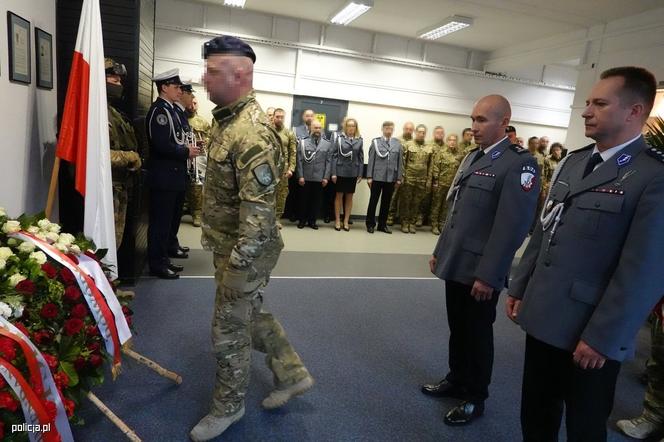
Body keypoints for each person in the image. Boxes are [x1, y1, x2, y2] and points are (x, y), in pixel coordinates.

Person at [506, 66, 664, 442]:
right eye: (588, 102)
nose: (586, 111)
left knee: (585, 423)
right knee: (537, 409)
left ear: (634, 112)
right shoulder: (575, 162)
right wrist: (520, 286)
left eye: (600, 103)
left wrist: (604, 338)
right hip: (545, 313)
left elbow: (643, 270)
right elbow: (546, 228)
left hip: (591, 330)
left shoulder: (653, 177)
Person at [190, 35, 314, 442]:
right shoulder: (226, 120)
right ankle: (292, 373)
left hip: (246, 249)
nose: (204, 80)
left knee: (227, 330)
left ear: (239, 74)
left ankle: (229, 407)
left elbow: (259, 217)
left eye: (212, 72)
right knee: (248, 315)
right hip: (229, 243)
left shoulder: (252, 133)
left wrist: (237, 267)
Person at [423, 94, 538, 426]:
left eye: (482, 120)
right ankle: (456, 379)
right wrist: (441, 252)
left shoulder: (519, 164)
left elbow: (512, 227)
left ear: (504, 122)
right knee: (458, 327)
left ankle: (475, 397)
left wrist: (490, 275)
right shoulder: (474, 157)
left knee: (477, 333)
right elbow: (456, 210)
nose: (474, 127)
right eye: (473, 119)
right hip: (457, 262)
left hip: (481, 271)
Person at [145, 69, 199, 279]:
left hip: (173, 176)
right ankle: (157, 264)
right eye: (176, 87)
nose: (180, 91)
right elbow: (160, 145)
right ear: (164, 87)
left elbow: (177, 138)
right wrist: (186, 151)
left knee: (167, 223)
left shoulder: (171, 110)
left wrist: (188, 148)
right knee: (160, 224)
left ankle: (163, 259)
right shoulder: (160, 111)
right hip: (163, 176)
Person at [106, 58, 141, 298]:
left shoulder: (113, 112)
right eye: (112, 77)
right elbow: (94, 153)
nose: (118, 83)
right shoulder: (94, 111)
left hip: (119, 187)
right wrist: (129, 156)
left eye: (119, 79)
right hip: (104, 188)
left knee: (114, 243)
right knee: (103, 244)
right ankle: (103, 293)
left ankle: (109, 289)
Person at [366, 121, 402, 234]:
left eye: (391, 128)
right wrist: (369, 176)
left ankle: (382, 224)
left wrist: (399, 178)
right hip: (377, 177)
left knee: (386, 202)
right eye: (386, 128)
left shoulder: (397, 143)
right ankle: (370, 224)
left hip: (391, 178)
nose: (389, 130)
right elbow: (371, 159)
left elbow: (400, 162)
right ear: (382, 129)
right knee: (373, 201)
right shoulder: (376, 142)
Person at [296, 120, 332, 229]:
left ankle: (312, 221)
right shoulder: (303, 142)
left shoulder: (327, 143)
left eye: (319, 128)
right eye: (315, 128)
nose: (317, 130)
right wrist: (300, 175)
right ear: (311, 128)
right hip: (305, 177)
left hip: (319, 178)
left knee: (316, 201)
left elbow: (329, 162)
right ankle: (302, 220)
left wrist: (326, 177)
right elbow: (299, 160)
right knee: (303, 200)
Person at [330, 118, 363, 231]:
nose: (351, 128)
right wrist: (333, 173)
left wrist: (360, 173)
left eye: (353, 126)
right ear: (345, 127)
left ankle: (346, 221)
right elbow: (334, 155)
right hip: (340, 171)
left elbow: (360, 157)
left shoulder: (359, 140)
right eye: (349, 126)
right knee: (339, 196)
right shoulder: (339, 139)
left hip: (353, 172)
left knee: (349, 197)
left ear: (356, 128)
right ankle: (338, 220)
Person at [399, 124, 433, 234]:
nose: (421, 134)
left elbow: (430, 165)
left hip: (422, 179)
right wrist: (402, 176)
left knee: (416, 203)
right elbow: (403, 162)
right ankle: (404, 223)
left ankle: (412, 223)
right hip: (409, 178)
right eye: (419, 132)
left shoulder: (429, 147)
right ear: (415, 132)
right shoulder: (408, 145)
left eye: (423, 132)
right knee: (406, 201)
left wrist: (429, 180)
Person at [185, 92, 211, 227]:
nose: (192, 106)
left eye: (195, 103)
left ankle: (197, 213)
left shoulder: (202, 122)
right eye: (190, 103)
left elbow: (210, 138)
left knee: (197, 185)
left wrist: (204, 142)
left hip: (198, 157)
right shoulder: (179, 118)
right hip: (182, 155)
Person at [428, 132, 461, 235]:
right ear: (447, 141)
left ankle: (442, 224)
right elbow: (436, 167)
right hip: (440, 183)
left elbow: (460, 170)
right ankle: (434, 224)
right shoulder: (441, 153)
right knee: (436, 205)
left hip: (452, 185)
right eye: (450, 140)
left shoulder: (459, 155)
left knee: (446, 206)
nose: (452, 142)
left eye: (454, 140)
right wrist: (436, 181)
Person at [272, 108, 297, 228]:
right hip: (268, 169)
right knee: (267, 193)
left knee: (281, 195)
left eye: (282, 117)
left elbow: (293, 152)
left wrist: (291, 168)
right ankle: (266, 218)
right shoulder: (267, 131)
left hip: (283, 170)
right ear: (273, 117)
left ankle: (277, 218)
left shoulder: (289, 133)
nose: (279, 119)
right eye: (277, 116)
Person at [386, 121, 415, 226]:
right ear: (403, 129)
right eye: (406, 129)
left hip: (410, 175)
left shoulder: (414, 142)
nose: (408, 131)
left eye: (410, 129)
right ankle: (390, 216)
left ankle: (402, 218)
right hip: (396, 173)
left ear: (413, 131)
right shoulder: (396, 140)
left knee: (405, 199)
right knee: (393, 196)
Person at [420, 126, 446, 227]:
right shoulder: (428, 145)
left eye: (441, 133)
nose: (439, 135)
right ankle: (420, 218)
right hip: (428, 175)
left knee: (436, 200)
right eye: (437, 133)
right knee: (424, 197)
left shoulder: (446, 146)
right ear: (434, 134)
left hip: (440, 176)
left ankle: (431, 220)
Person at [527, 136, 553, 233]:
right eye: (533, 143)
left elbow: (543, 174)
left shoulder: (541, 157)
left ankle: (531, 229)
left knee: (535, 209)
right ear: (529, 144)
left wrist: (543, 188)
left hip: (537, 186)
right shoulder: (524, 155)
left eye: (537, 143)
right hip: (525, 185)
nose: (535, 145)